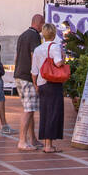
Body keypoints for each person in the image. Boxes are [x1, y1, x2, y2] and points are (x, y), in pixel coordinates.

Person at [31, 23, 68, 154]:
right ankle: (49, 145)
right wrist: (63, 57)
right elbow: (58, 63)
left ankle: (46, 142)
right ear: (54, 33)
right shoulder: (55, 47)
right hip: (53, 83)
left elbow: (34, 71)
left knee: (45, 113)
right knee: (54, 113)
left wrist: (35, 85)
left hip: (41, 83)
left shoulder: (37, 49)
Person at [13, 14, 43, 151]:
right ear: (40, 23)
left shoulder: (23, 35)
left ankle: (33, 139)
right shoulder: (34, 36)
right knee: (29, 109)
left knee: (30, 109)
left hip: (19, 75)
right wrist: (36, 79)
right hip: (27, 77)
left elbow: (17, 56)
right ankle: (22, 141)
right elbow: (34, 57)